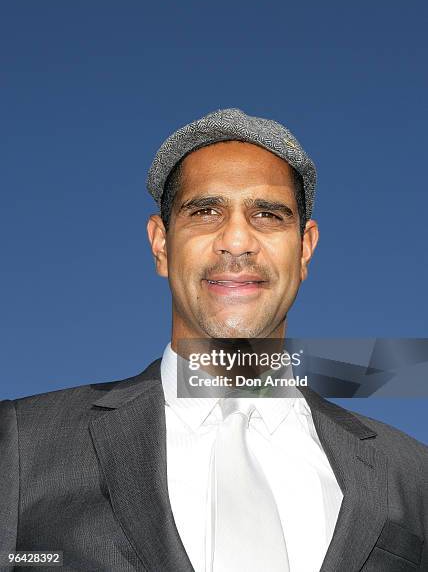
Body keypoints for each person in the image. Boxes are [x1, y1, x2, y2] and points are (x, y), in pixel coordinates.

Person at [1, 108, 427, 572]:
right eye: (206, 212)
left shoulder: (411, 472)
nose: (238, 240)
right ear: (161, 244)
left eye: (268, 214)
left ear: (305, 249)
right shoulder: (20, 444)